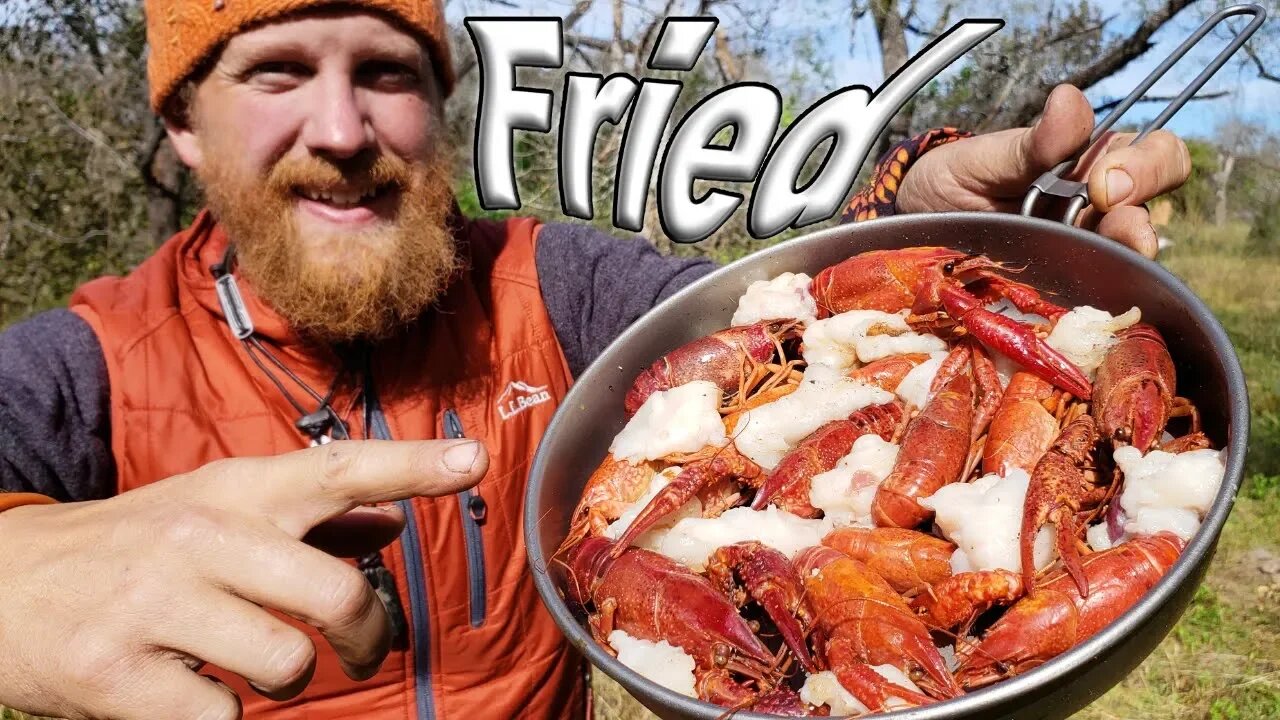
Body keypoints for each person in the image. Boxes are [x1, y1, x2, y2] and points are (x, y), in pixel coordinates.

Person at [0, 1, 1192, 719]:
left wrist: (906, 211)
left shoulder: (553, 285)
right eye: (275, 73)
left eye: (385, 72)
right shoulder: (87, 364)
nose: (341, 130)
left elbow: (778, 324)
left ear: (440, 104)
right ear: (180, 123)